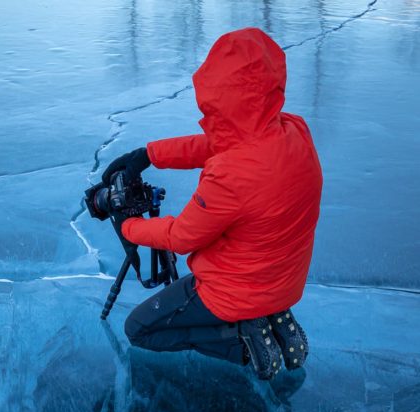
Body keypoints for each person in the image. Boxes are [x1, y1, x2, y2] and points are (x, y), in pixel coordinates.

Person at [102, 27, 323, 380]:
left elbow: (182, 236)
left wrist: (127, 225)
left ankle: (241, 340)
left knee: (140, 329)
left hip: (233, 290)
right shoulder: (294, 131)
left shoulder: (231, 174)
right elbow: (220, 143)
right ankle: (272, 317)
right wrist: (148, 154)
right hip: (282, 281)